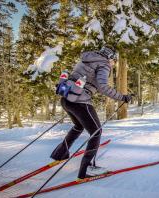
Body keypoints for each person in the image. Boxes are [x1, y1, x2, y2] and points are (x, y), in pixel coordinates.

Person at [51, 46, 132, 179]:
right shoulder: (104, 64)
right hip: (80, 102)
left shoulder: (87, 58)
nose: (113, 63)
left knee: (78, 126)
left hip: (67, 98)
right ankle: (86, 169)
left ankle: (60, 153)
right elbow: (103, 86)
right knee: (96, 132)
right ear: (111, 58)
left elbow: (88, 81)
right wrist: (122, 97)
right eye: (114, 60)